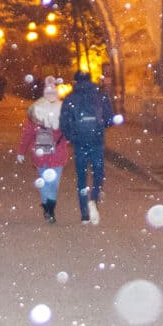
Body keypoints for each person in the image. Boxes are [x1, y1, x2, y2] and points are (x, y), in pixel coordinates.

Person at [58, 71, 114, 224]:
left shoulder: (70, 98)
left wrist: (72, 136)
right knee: (98, 173)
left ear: (75, 82)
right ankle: (94, 198)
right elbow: (110, 119)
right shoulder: (101, 96)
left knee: (82, 177)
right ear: (91, 80)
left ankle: (84, 215)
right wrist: (100, 127)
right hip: (97, 140)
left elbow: (63, 123)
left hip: (80, 141)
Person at [18, 90, 70, 222]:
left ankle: (48, 208)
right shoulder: (61, 115)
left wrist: (21, 151)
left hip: (42, 154)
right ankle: (49, 209)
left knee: (46, 182)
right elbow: (69, 134)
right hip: (56, 154)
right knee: (52, 183)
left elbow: (27, 135)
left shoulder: (37, 116)